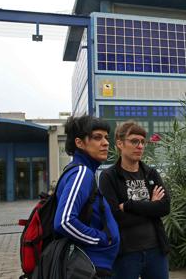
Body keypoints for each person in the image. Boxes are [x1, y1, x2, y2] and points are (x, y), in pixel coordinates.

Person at [99, 121, 170, 279]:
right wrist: (151, 206)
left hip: (156, 251)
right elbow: (115, 216)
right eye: (134, 141)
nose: (140, 146)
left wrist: (130, 205)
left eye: (142, 142)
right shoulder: (108, 177)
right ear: (120, 144)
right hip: (126, 254)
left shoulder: (151, 173)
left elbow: (165, 207)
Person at [54, 115, 120, 278]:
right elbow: (65, 221)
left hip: (92, 265)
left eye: (106, 137)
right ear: (79, 143)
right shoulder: (81, 173)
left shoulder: (82, 171)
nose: (105, 142)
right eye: (97, 137)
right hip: (89, 268)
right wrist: (101, 240)